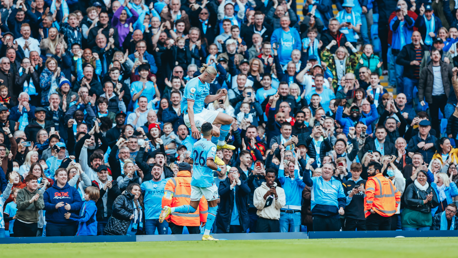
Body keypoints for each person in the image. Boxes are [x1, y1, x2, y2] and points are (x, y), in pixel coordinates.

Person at [159, 122, 222, 240]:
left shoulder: (196, 144)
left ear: (201, 132)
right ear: (212, 132)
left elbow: (191, 161)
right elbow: (209, 163)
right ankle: (207, 234)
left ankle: (170, 209)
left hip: (195, 180)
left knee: (192, 208)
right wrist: (219, 169)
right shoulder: (212, 146)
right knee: (213, 207)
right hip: (206, 180)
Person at [181, 65, 234, 151]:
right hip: (191, 116)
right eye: (211, 79)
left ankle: (220, 143)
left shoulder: (206, 83)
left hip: (202, 112)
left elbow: (205, 99)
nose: (212, 81)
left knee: (229, 119)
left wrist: (219, 95)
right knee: (216, 131)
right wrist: (193, 126)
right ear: (205, 74)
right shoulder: (193, 85)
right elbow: (190, 107)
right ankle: (212, 152)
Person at [162, 162, 208, 234]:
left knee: (175, 243)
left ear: (178, 170)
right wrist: (204, 218)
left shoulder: (172, 181)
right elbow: (203, 201)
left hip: (176, 217)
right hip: (194, 218)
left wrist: (166, 215)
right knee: (195, 242)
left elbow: (167, 199)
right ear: (190, 170)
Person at [303, 162, 346, 231]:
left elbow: (341, 197)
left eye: (329, 169)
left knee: (334, 239)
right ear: (322, 170)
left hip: (333, 214)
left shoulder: (337, 183)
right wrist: (307, 166)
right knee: (318, 239)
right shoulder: (315, 180)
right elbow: (306, 180)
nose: (327, 170)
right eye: (325, 168)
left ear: (332, 172)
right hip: (318, 213)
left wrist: (341, 208)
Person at [43, 168, 83, 236]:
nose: (64, 176)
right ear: (56, 177)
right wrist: (54, 206)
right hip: (53, 225)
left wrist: (71, 206)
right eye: (61, 175)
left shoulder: (73, 190)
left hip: (70, 224)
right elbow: (43, 204)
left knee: (70, 246)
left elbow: (79, 203)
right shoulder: (49, 191)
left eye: (65, 175)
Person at [364, 161, 401, 230]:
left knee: (372, 239)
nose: (368, 171)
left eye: (370, 169)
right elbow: (398, 194)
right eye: (368, 169)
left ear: (377, 171)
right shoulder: (388, 181)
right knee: (386, 238)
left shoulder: (371, 181)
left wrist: (369, 208)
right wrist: (394, 208)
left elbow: (369, 195)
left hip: (375, 213)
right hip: (388, 215)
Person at [216, 166, 251, 233]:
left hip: (239, 220)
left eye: (235, 171)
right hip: (225, 220)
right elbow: (221, 193)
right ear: (228, 175)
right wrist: (231, 186)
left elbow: (248, 191)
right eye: (231, 172)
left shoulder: (243, 183)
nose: (233, 173)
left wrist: (238, 182)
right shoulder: (223, 183)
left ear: (239, 175)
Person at [253, 168, 286, 233]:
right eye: (269, 177)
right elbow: (258, 206)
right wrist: (265, 196)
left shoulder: (280, 190)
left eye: (272, 177)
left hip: (274, 221)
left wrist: (276, 195)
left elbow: (280, 206)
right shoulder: (258, 190)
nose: (270, 178)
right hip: (262, 220)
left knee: (274, 242)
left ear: (275, 178)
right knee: (261, 242)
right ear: (265, 177)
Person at [141, 164, 169, 235]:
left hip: (163, 216)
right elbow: (137, 193)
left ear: (162, 171)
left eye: (158, 169)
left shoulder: (167, 183)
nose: (156, 171)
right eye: (154, 169)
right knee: (149, 240)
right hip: (149, 216)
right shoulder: (145, 184)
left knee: (164, 239)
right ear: (151, 172)